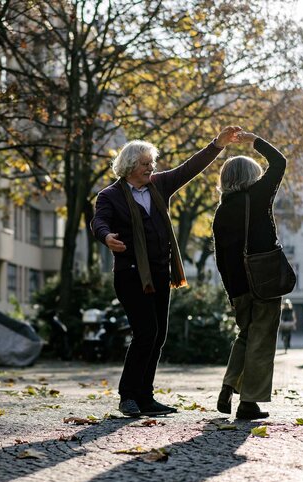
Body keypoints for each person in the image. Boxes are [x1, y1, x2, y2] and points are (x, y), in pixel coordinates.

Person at [91, 126, 242, 417]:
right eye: (146, 163)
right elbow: (99, 222)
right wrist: (106, 236)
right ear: (130, 166)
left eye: (151, 163)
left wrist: (217, 145)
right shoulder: (110, 196)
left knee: (157, 336)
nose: (151, 167)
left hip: (160, 273)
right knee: (145, 332)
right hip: (131, 274)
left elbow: (190, 168)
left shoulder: (159, 186)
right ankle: (128, 396)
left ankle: (145, 398)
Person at [212, 130, 287, 420]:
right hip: (265, 281)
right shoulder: (258, 196)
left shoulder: (222, 212)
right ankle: (249, 402)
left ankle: (229, 384)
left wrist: (232, 293)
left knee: (246, 334)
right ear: (251, 177)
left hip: (238, 288)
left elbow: (220, 259)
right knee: (262, 338)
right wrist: (255, 140)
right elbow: (278, 163)